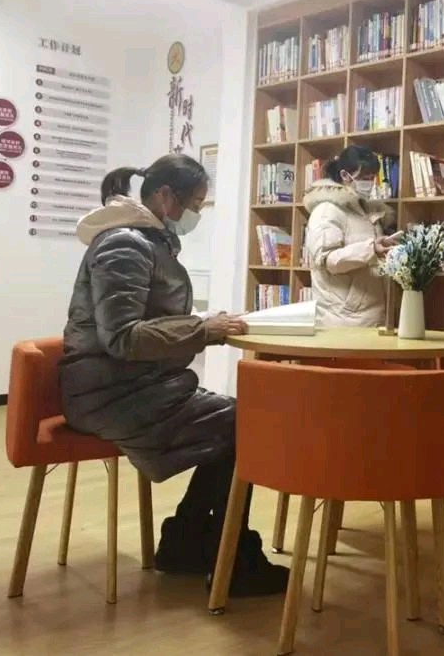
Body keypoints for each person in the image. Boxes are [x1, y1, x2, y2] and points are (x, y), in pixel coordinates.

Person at [58, 153, 288, 597]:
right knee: (246, 423)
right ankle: (229, 558)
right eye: (195, 204)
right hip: (111, 393)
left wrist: (203, 323)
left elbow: (144, 322)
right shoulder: (125, 245)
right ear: (166, 196)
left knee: (238, 422)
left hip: (126, 385)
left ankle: (191, 542)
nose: (196, 214)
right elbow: (123, 337)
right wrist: (203, 330)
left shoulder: (146, 241)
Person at [303, 145, 400, 327]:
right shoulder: (326, 210)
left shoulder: (367, 210)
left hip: (373, 314)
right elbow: (328, 261)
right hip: (342, 319)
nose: (369, 183)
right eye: (364, 178)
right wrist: (370, 249)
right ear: (345, 175)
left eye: (372, 178)